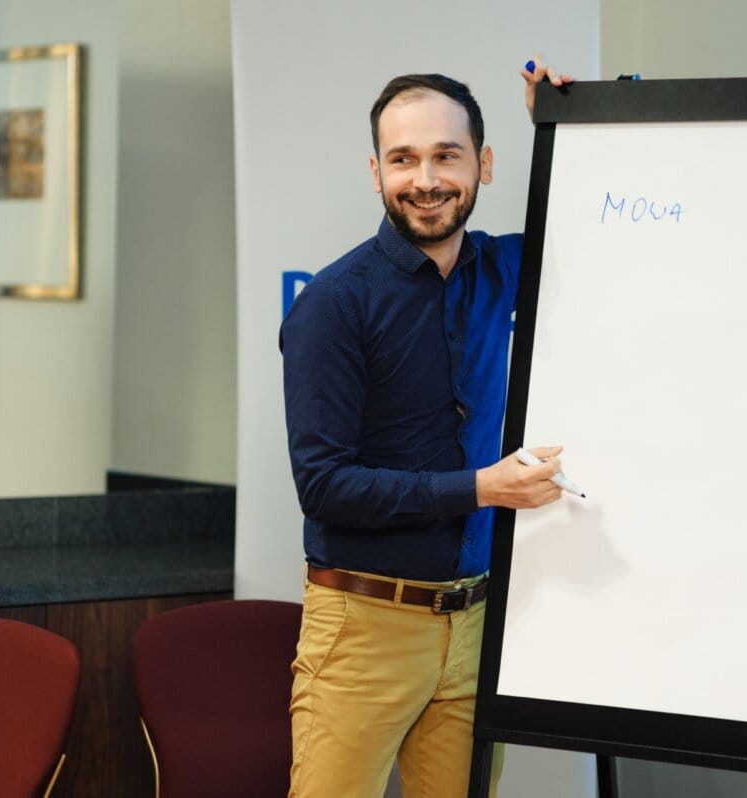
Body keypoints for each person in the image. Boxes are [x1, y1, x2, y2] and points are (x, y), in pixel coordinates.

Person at [280, 59, 573, 798]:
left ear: (484, 164)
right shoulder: (334, 304)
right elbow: (325, 484)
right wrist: (481, 488)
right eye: (404, 159)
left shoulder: (503, 267)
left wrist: (563, 123)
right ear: (376, 173)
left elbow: (590, 222)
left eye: (448, 155)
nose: (427, 178)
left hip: (474, 626)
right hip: (363, 628)